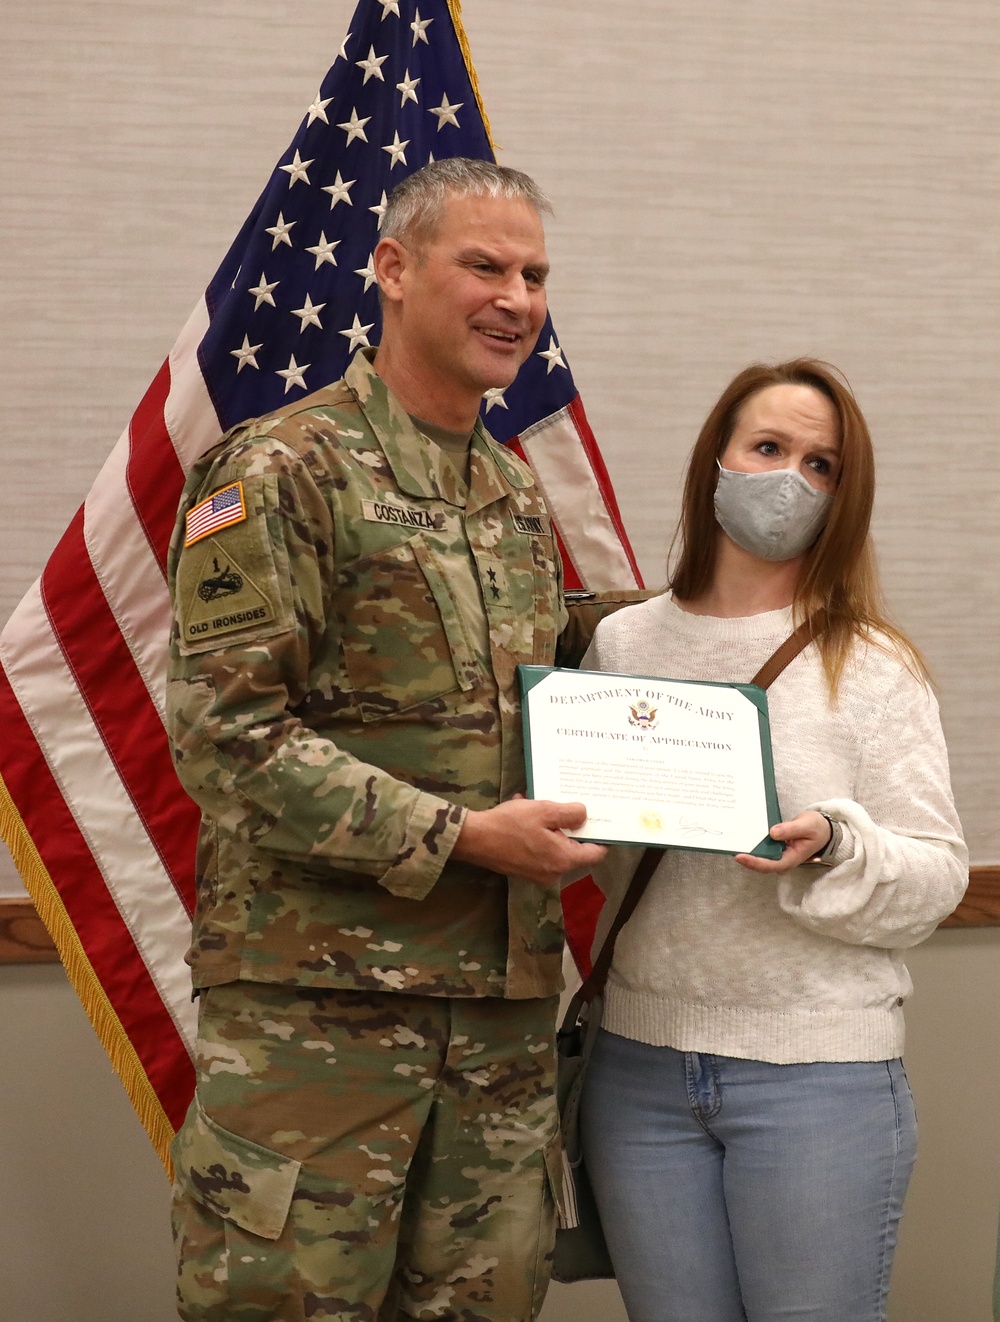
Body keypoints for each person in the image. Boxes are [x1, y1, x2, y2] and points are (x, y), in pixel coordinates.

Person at [164, 158, 640, 1321]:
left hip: (496, 1028)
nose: (517, 298)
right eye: (483, 264)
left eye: (533, 274)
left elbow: (534, 703)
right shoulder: (278, 468)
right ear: (390, 268)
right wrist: (466, 834)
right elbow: (229, 737)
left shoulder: (516, 497)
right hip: (319, 1027)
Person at [579, 359, 967, 1322]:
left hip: (820, 1083)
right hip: (637, 1069)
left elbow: (938, 878)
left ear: (845, 497)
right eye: (768, 448)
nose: (791, 480)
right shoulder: (623, 645)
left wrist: (837, 844)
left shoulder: (871, 665)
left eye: (822, 465)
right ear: (718, 459)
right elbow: (593, 842)